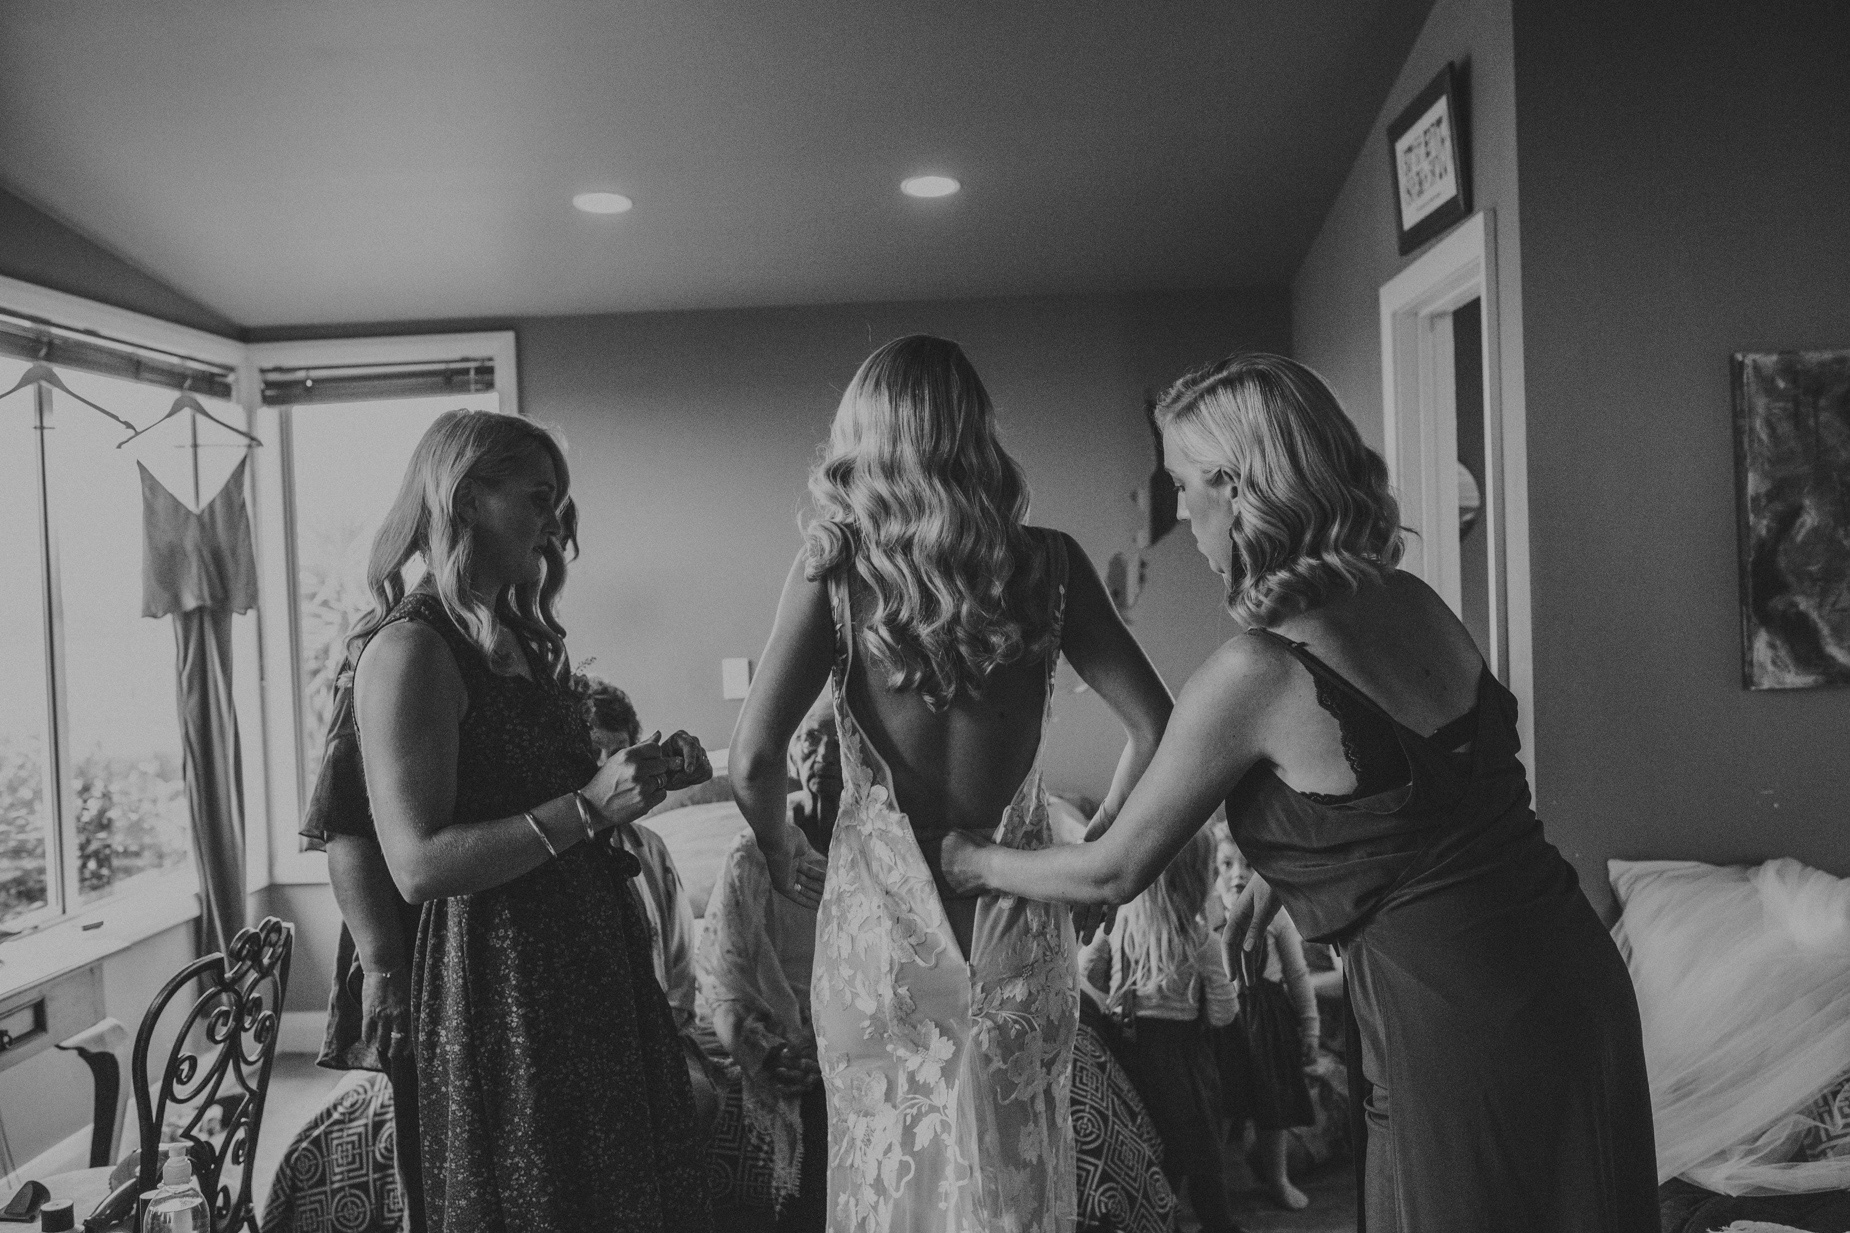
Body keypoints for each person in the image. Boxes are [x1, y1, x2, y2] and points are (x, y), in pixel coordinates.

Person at [940, 354, 1658, 1232]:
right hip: (1576, 978)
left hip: (1458, 1026)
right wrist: (1283, 879)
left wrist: (974, 860)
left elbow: (1113, 870)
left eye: (1181, 484)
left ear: (1235, 486)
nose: (1180, 512)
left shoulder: (1257, 671)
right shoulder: (1414, 601)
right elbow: (1425, 803)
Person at [728, 335, 1174, 1233]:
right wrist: (1095, 855)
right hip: (1017, 928)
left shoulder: (833, 575)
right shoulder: (1051, 565)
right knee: (1017, 1186)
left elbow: (752, 762)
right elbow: (1159, 728)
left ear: (862, 441)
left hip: (881, 946)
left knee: (889, 1191)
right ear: (976, 433)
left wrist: (781, 854)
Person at [350, 408, 714, 1233]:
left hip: (591, 960)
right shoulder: (411, 650)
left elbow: (557, 800)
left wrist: (639, 781)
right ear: (467, 499)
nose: (556, 522)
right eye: (539, 497)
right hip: (504, 983)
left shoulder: (517, 636)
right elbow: (417, 863)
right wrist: (589, 807)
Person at [697, 693, 840, 1230]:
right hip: (778, 1034)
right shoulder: (754, 851)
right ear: (790, 753)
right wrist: (763, 1050)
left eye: (837, 742)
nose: (823, 755)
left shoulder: (883, 848)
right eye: (810, 739)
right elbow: (726, 983)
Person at [1081, 826, 1240, 1233]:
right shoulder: (1203, 941)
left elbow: (1086, 973)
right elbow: (1224, 1014)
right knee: (1200, 1149)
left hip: (1128, 1057)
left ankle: (1154, 1218)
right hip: (1183, 1062)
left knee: (1147, 1144)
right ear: (1200, 879)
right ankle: (1217, 1224)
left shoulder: (1118, 928)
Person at [575, 672, 698, 1031]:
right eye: (592, 751)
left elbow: (681, 964)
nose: (604, 766)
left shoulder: (651, 848)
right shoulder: (555, 852)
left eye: (617, 754)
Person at [1212, 837, 1317, 1212]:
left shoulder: (1277, 915)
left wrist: (1310, 1028)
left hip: (1268, 1020)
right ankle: (1214, 1186)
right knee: (1221, 1106)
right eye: (1227, 865)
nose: (1238, 874)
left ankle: (1278, 1178)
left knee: (1272, 1108)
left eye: (1248, 864)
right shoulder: (1204, 914)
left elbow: (1297, 974)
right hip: (1223, 1022)